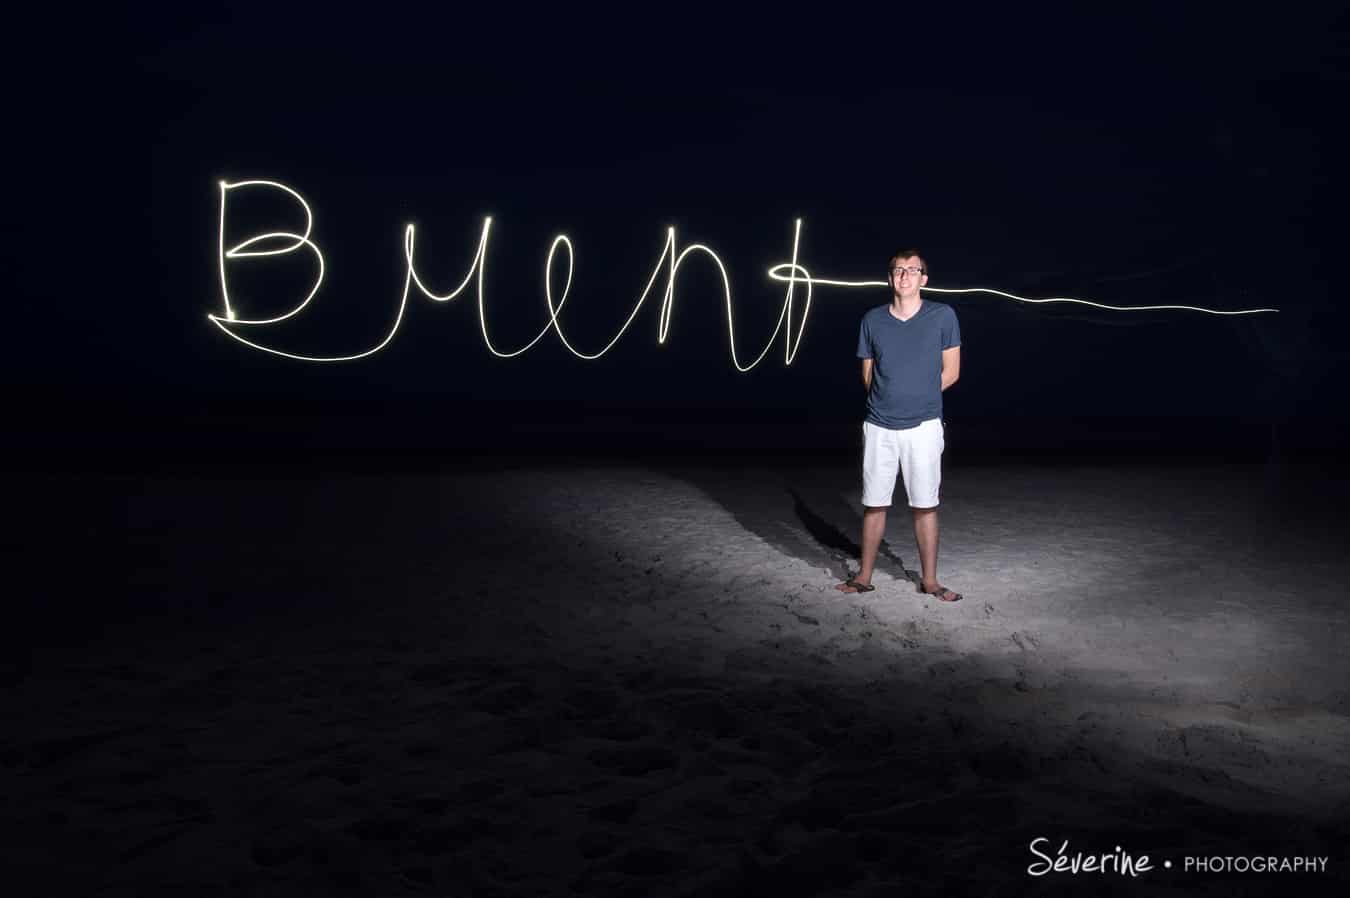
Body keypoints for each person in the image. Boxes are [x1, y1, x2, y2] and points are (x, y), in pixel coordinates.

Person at [836, 248, 963, 601]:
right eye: (897, 270)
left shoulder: (943, 316)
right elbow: (867, 374)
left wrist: (918, 395)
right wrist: (890, 397)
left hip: (923, 426)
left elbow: (951, 372)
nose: (904, 276)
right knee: (874, 503)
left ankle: (931, 581)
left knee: (925, 504)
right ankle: (863, 576)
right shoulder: (872, 320)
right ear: (889, 278)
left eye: (912, 270)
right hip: (879, 426)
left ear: (924, 278)